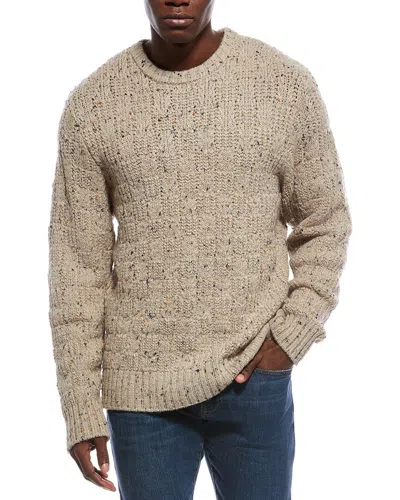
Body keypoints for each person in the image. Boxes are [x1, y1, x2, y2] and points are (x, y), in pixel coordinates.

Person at [48, 1, 352, 498]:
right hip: (141, 392)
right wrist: (80, 405)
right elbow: (77, 269)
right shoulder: (93, 104)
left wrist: (291, 335)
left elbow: (325, 221)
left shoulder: (283, 85)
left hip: (254, 376)